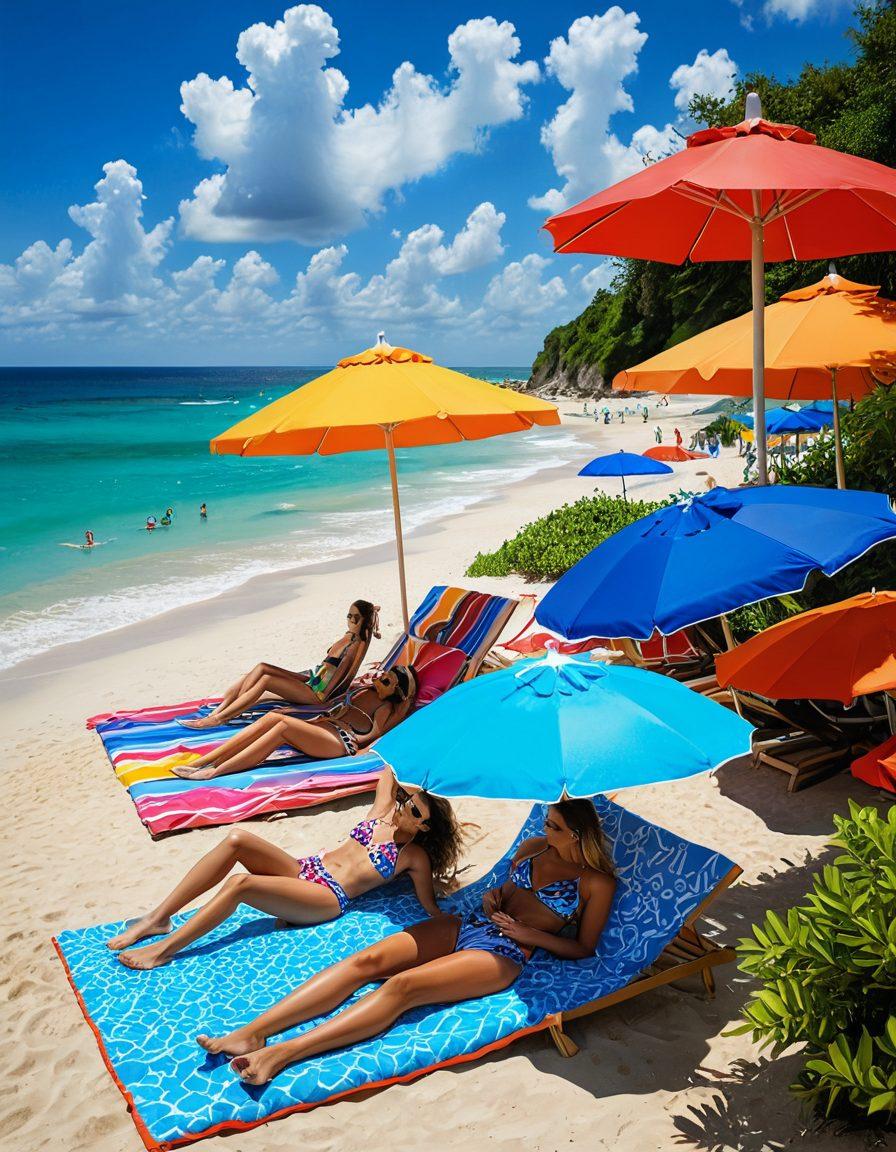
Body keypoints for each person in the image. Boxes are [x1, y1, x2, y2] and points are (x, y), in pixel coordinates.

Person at [196, 799, 617, 1085]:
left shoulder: (596, 883)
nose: (544, 827)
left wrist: (531, 935)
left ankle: (282, 1053)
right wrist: (494, 898)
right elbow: (506, 893)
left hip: (503, 952)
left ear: (576, 835)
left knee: (402, 987)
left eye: (553, 825)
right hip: (471, 924)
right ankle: (252, 1032)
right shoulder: (533, 847)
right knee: (364, 962)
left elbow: (583, 948)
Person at [108, 770, 462, 971]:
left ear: (425, 827)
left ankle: (165, 949)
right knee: (237, 839)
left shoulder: (413, 855)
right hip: (306, 868)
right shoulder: (382, 812)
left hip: (327, 896)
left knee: (241, 884)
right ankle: (158, 918)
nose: (405, 808)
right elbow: (389, 770)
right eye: (408, 801)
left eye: (415, 812)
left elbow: (429, 906)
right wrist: (420, 768)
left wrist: (448, 916)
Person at [171, 664, 417, 780]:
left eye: (387, 681)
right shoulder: (367, 691)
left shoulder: (386, 708)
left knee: (283, 726)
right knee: (272, 718)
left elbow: (376, 734)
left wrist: (359, 746)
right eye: (384, 675)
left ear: (397, 692)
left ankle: (215, 772)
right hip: (325, 729)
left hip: (340, 741)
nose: (381, 679)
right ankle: (204, 761)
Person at [178, 600, 380, 729]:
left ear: (364, 621)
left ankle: (219, 719)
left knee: (265, 680)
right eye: (349, 615)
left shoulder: (354, 645)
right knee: (261, 667)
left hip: (317, 692)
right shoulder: (348, 636)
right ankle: (220, 711)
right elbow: (326, 669)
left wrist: (321, 699)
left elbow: (338, 681)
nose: (351, 620)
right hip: (313, 677)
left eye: (356, 618)